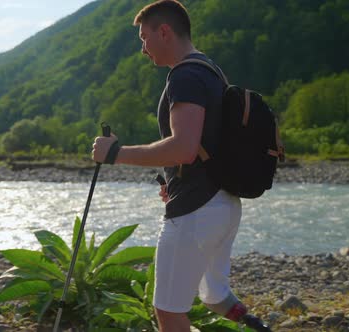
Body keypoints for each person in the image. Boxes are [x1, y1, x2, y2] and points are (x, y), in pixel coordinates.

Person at [92, 1, 271, 331]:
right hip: (224, 204)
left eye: (144, 38)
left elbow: (184, 148)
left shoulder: (185, 77)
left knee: (168, 311)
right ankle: (255, 326)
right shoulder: (212, 71)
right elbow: (205, 147)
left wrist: (115, 153)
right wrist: (173, 180)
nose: (143, 48)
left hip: (195, 211)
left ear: (164, 32)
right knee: (215, 296)